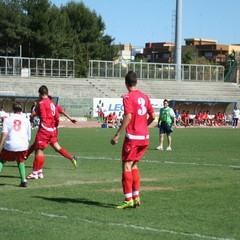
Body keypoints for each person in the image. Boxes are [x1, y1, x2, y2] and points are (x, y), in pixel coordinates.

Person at [111, 71, 155, 209]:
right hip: (145, 138)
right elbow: (153, 116)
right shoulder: (145, 96)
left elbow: (128, 117)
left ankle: (128, 199)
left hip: (133, 138)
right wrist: (143, 126)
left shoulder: (128, 97)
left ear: (126, 83)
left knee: (126, 165)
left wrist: (117, 134)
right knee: (134, 165)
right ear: (136, 82)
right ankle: (136, 197)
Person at [27, 85, 77, 180]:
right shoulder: (52, 104)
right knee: (55, 148)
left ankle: (35, 172)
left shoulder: (41, 103)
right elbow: (58, 114)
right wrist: (70, 119)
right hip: (52, 131)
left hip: (45, 130)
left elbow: (43, 116)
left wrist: (40, 122)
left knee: (39, 149)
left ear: (40, 94)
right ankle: (40, 171)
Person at [0, 102, 31, 187]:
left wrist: (0, 145)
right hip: (23, 145)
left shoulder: (7, 119)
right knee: (20, 161)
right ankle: (23, 180)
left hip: (10, 145)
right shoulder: (26, 120)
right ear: (21, 110)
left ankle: (23, 180)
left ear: (13, 109)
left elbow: (4, 134)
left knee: (1, 160)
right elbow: (29, 136)